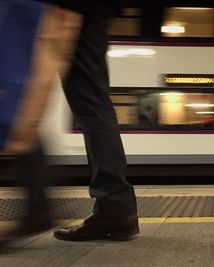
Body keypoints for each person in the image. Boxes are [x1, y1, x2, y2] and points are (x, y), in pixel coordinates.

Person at [1, 0, 139, 244]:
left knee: (22, 88)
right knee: (92, 101)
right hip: (91, 7)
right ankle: (115, 210)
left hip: (65, 5)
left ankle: (41, 207)